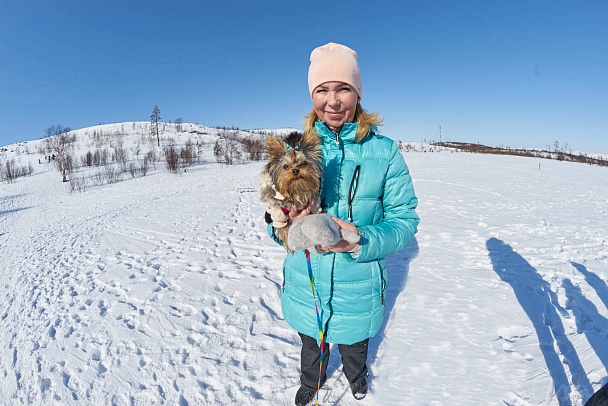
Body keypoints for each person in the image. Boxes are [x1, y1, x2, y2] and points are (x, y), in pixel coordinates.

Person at [265, 42, 419, 405]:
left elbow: (404, 220)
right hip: (307, 283)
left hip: (359, 285)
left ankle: (356, 376)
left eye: (343, 89)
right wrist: (282, 226)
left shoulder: (385, 151)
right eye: (322, 90)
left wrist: (361, 240)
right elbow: (276, 217)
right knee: (311, 345)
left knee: (354, 345)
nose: (333, 101)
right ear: (312, 96)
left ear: (358, 94)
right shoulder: (298, 153)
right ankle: (312, 381)